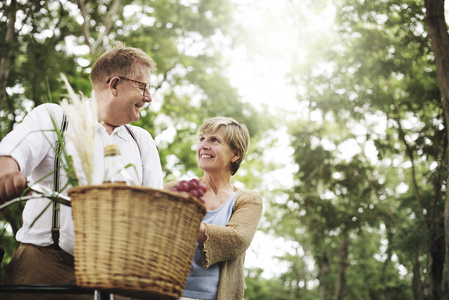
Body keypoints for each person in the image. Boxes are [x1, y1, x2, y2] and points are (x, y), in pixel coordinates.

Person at [0, 42, 163, 299]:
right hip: (45, 268)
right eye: (143, 86)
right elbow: (14, 151)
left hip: (115, 279)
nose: (149, 97)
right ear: (115, 84)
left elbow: (155, 207)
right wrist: (8, 169)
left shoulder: (141, 141)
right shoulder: (56, 118)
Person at [164, 116, 263, 300]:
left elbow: (236, 239)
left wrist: (185, 220)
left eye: (214, 140)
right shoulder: (175, 190)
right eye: (201, 139)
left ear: (236, 154)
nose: (204, 145)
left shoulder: (248, 200)